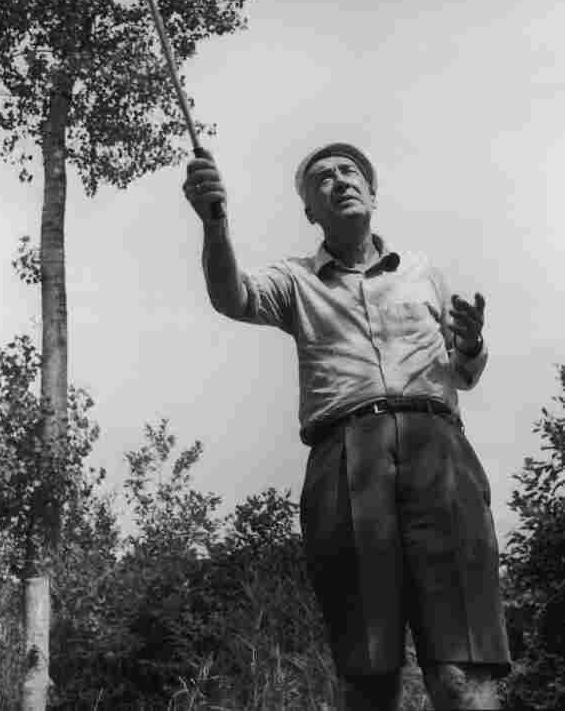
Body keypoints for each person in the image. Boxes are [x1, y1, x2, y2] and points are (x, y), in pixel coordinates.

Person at [183, 141, 511, 711]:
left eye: (350, 171)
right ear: (310, 211)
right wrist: (214, 222)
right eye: (323, 178)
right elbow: (232, 296)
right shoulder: (295, 279)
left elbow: (463, 373)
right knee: (368, 674)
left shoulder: (423, 274)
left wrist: (471, 342)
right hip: (346, 458)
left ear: (373, 194)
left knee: (464, 671)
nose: (339, 180)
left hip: (440, 454)